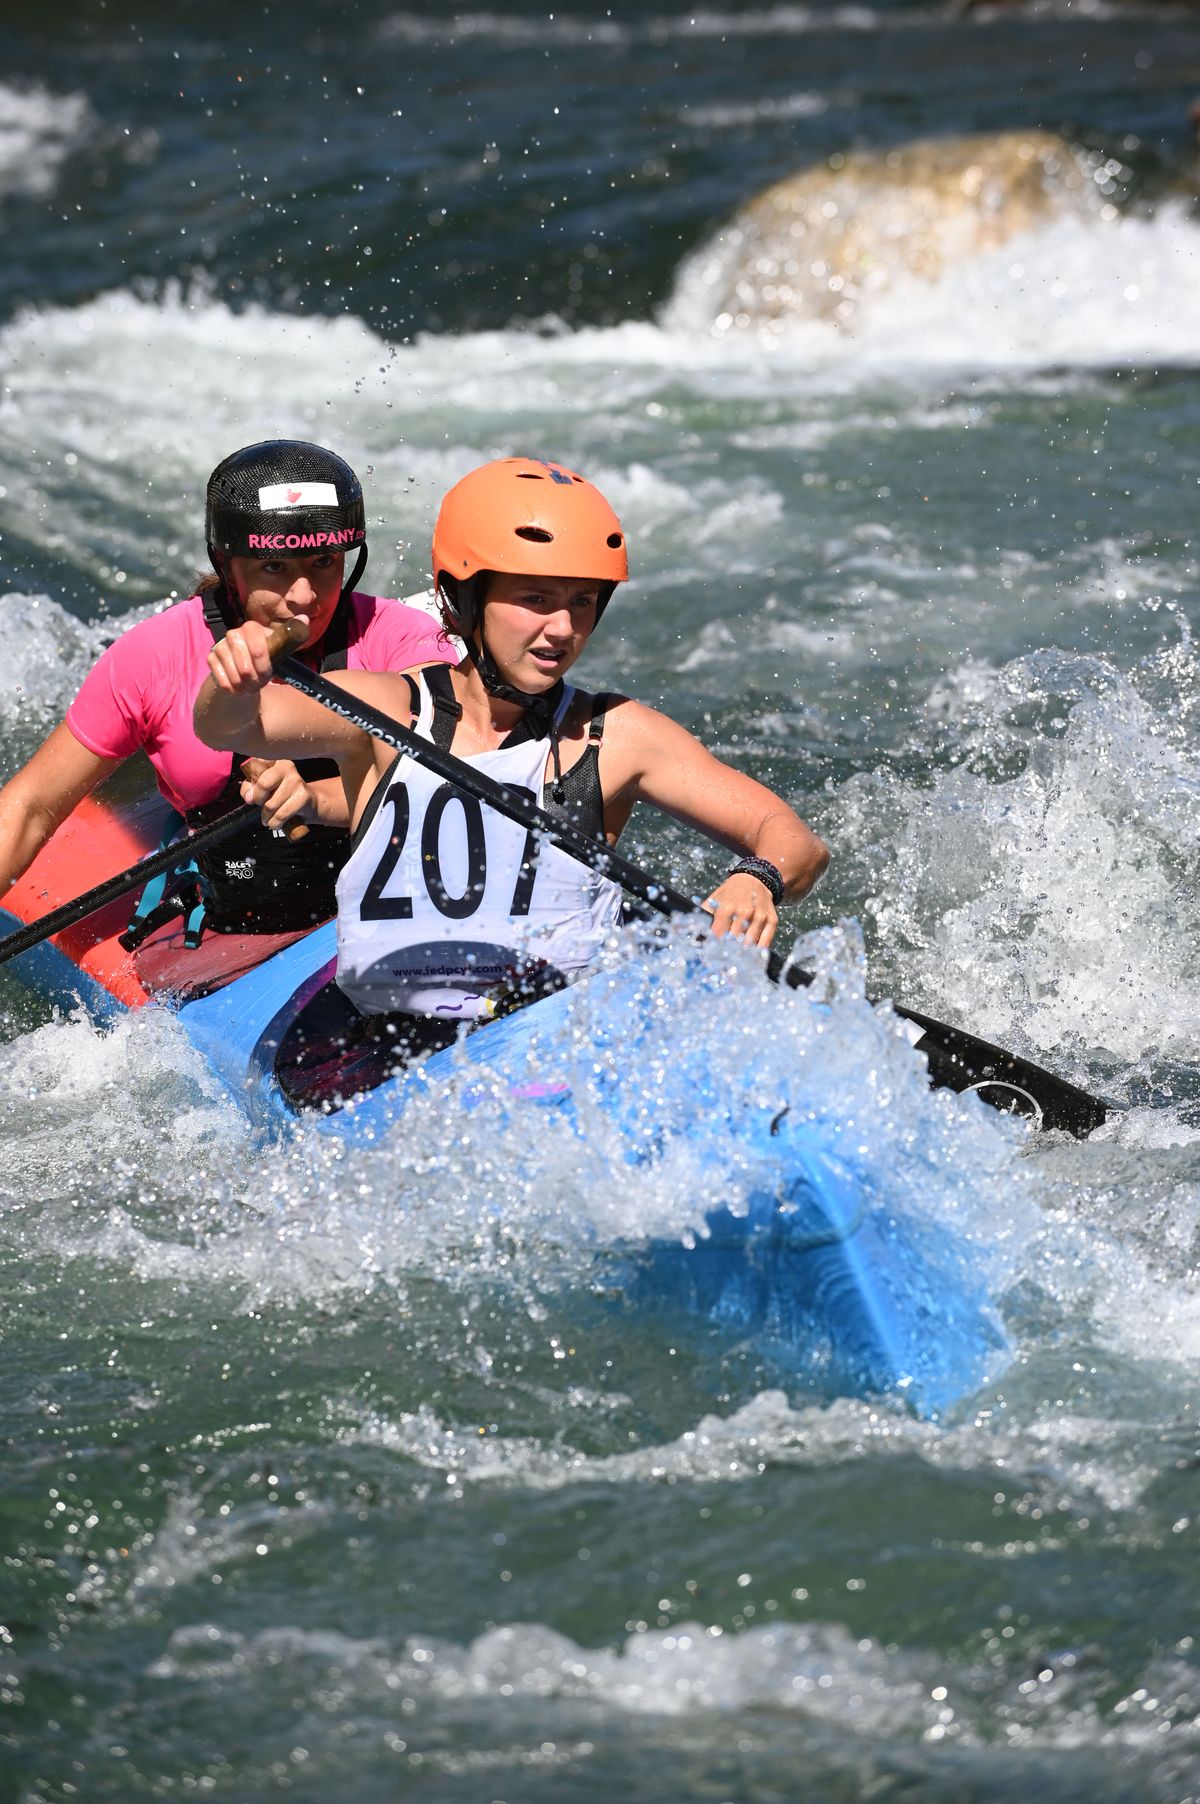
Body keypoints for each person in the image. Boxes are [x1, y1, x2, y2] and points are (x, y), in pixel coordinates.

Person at [194, 456, 828, 1045]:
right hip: (384, 1042)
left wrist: (758, 878)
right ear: (463, 599)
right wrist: (233, 681)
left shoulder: (615, 735)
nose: (563, 629)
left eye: (582, 602)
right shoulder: (382, 709)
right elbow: (230, 728)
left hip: (551, 1034)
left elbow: (795, 842)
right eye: (536, 599)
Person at [0, 440, 454, 981]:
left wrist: (318, 797)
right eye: (273, 567)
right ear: (227, 564)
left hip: (396, 908)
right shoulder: (153, 658)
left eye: (325, 562)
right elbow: (30, 806)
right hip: (239, 926)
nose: (304, 594)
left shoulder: (402, 637)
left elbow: (450, 778)